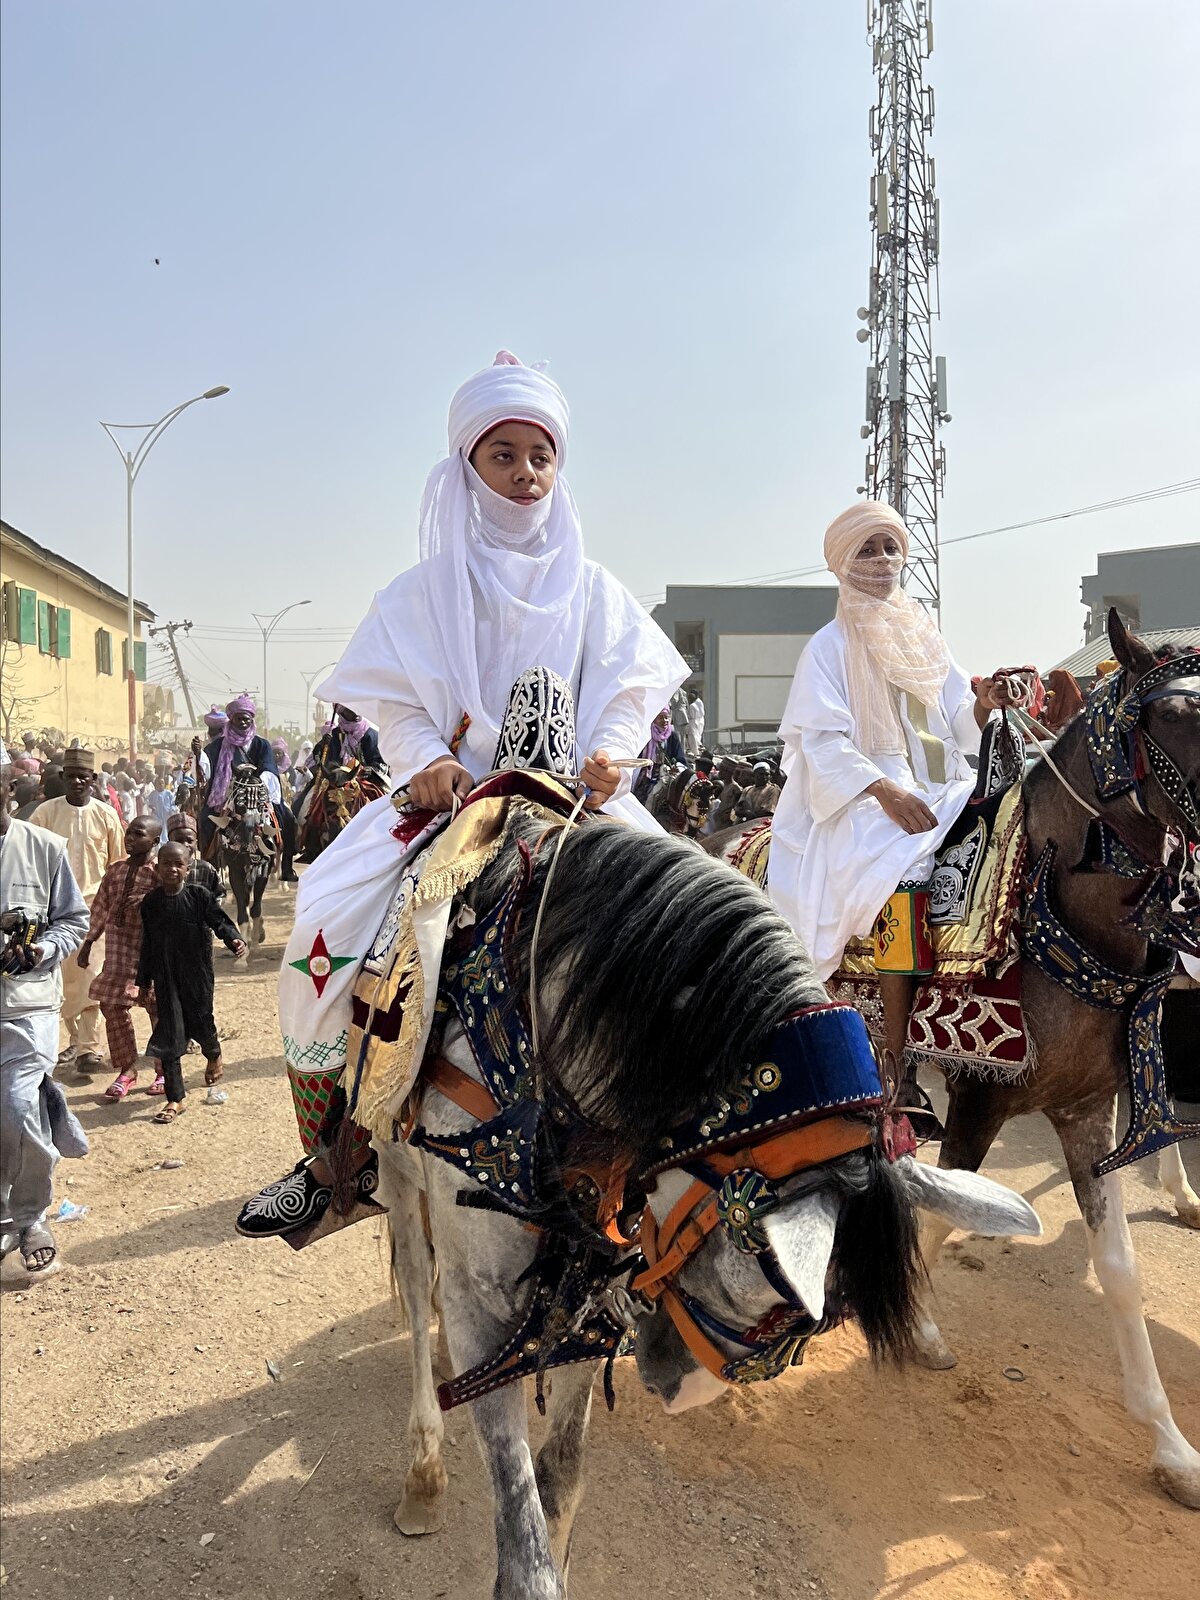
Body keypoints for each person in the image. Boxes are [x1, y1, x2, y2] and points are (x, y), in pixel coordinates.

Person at [237, 349, 687, 1238]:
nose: (526, 474)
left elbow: (630, 694)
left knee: (693, 924)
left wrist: (610, 753)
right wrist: (424, 762)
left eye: (541, 455)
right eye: (505, 454)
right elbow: (400, 709)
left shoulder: (599, 592)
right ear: (467, 468)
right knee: (324, 926)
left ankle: (685, 1147)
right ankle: (337, 1155)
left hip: (577, 807)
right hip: (455, 807)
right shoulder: (418, 594)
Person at [769, 502, 1007, 1133]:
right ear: (843, 563)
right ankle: (898, 1068)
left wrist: (982, 708)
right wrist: (883, 792)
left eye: (891, 548)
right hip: (856, 800)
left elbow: (957, 717)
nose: (883, 561)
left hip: (939, 782)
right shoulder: (828, 646)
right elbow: (822, 744)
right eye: (868, 550)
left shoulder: (924, 635)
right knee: (903, 874)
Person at [1, 754, 90, 1273]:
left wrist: (40, 950)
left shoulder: (44, 848)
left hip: (27, 1005)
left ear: (8, 787)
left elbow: (72, 921)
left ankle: (31, 1213)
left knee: (18, 1111)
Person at [28, 748, 126, 1075]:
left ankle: (89, 1048)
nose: (78, 782)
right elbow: (32, 859)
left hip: (95, 910)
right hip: (54, 911)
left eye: (84, 777)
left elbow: (117, 864)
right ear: (63, 779)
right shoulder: (45, 814)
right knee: (64, 979)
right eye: (71, 777)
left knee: (91, 975)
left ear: (94, 780)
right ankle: (76, 1039)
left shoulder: (106, 815)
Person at [136, 843, 246, 1123]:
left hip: (196, 973)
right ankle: (176, 1098)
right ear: (157, 866)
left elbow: (219, 922)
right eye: (166, 864)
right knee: (170, 1035)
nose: (172, 869)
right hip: (165, 976)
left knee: (201, 1022)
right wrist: (144, 981)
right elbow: (146, 943)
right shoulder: (150, 902)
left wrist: (233, 940)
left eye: (178, 864)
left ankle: (213, 1052)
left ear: (188, 867)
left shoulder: (199, 896)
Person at [78, 815, 161, 1101]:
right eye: (128, 833)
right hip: (118, 951)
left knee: (158, 1009)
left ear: (154, 841)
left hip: (151, 954)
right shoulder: (114, 871)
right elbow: (100, 907)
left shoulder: (159, 874)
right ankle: (128, 1069)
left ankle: (164, 1069)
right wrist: (89, 942)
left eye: (138, 835)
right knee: (111, 1005)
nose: (129, 839)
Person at [198, 696, 280, 855]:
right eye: (238, 719)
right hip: (225, 796)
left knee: (286, 817)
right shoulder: (217, 746)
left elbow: (269, 767)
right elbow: (206, 768)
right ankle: (210, 862)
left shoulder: (262, 745)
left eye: (246, 719)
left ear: (252, 720)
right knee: (205, 820)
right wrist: (197, 754)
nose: (243, 722)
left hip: (257, 794)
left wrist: (257, 782)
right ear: (231, 720)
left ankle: (285, 863)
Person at [165, 813, 224, 896]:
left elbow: (220, 894)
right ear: (169, 843)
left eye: (189, 841)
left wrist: (211, 907)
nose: (185, 845)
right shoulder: (163, 871)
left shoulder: (206, 869)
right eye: (179, 840)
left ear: (196, 843)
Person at [146, 769, 176, 839]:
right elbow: (148, 802)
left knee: (166, 829)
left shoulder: (168, 793)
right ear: (156, 784)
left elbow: (173, 804)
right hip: (157, 815)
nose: (160, 785)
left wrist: (171, 810)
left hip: (166, 815)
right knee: (158, 830)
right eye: (158, 783)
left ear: (164, 784)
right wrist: (151, 807)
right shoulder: (153, 794)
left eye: (162, 783)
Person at [685, 689, 706, 758]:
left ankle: (695, 751)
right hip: (699, 721)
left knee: (693, 737)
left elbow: (691, 716)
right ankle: (697, 749)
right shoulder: (699, 702)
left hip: (693, 722)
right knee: (697, 736)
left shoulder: (692, 706)